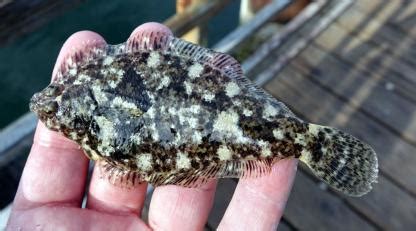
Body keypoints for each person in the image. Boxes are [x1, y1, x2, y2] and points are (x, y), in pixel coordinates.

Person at [7, 22, 297, 230]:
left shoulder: (90, 94)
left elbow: (122, 169)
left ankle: (301, 140)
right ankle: (297, 139)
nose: (45, 109)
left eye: (54, 110)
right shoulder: (89, 81)